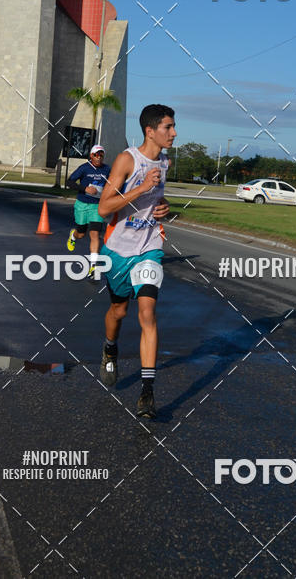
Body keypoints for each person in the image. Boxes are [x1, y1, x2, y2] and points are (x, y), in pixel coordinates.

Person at [97, 104, 176, 419]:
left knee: (147, 312)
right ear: (150, 130)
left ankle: (147, 393)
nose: (173, 132)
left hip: (150, 246)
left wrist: (163, 207)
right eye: (168, 127)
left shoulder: (166, 162)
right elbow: (104, 208)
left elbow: (156, 200)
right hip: (118, 250)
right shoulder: (127, 160)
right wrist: (142, 188)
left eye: (173, 126)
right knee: (118, 311)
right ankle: (110, 348)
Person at [66, 144, 111, 277]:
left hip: (97, 206)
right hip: (82, 204)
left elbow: (114, 182)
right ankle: (73, 235)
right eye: (96, 155)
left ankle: (93, 266)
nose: (98, 157)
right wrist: (85, 189)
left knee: (95, 234)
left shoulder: (107, 169)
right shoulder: (84, 168)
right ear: (91, 156)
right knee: (81, 233)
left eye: (101, 155)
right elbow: (69, 182)